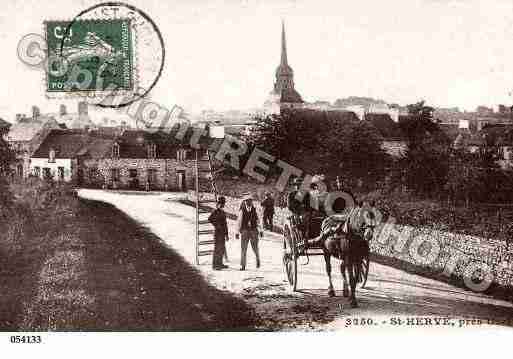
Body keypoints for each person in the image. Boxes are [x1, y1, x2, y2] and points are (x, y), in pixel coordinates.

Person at [236, 193, 263, 271]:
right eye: (247, 201)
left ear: (252, 202)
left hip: (254, 230)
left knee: (255, 248)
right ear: (245, 202)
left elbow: (258, 221)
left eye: (250, 201)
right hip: (245, 231)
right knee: (243, 248)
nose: (248, 202)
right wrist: (237, 232)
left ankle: (258, 259)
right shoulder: (242, 211)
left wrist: (261, 230)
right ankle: (243, 265)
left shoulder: (255, 210)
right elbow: (239, 221)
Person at [208, 196, 229, 270]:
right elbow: (210, 219)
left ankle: (220, 263)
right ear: (218, 204)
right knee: (217, 248)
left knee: (222, 248)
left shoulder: (223, 212)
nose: (222, 205)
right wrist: (217, 225)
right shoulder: (215, 211)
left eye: (223, 204)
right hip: (217, 233)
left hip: (222, 233)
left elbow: (225, 224)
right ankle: (215, 265)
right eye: (221, 204)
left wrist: (227, 234)